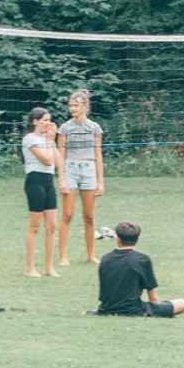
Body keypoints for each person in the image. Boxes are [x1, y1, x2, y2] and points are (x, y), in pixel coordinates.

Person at [55, 90, 106, 267]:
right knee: (67, 215)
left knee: (89, 217)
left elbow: (98, 155)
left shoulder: (94, 128)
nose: (72, 108)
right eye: (71, 105)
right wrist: (61, 179)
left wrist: (100, 182)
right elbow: (60, 155)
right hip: (70, 169)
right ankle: (62, 256)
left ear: (85, 106)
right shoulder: (64, 128)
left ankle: (91, 255)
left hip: (89, 170)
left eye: (76, 105)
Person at [94, 221, 184, 317]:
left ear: (117, 239)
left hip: (106, 308)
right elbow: (153, 298)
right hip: (134, 310)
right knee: (183, 303)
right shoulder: (142, 259)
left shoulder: (105, 258)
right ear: (137, 238)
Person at [21, 107, 60, 278]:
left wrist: (52, 140)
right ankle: (30, 268)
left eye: (49, 120)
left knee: (51, 226)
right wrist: (50, 141)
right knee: (34, 226)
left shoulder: (48, 140)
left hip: (49, 181)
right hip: (35, 181)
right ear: (34, 121)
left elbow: (57, 161)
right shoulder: (30, 139)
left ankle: (49, 267)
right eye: (43, 120)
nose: (47, 123)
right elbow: (46, 160)